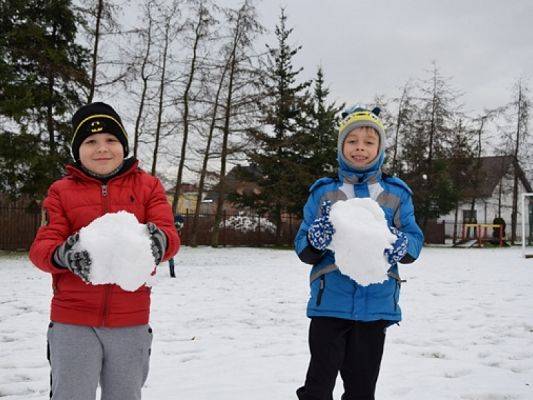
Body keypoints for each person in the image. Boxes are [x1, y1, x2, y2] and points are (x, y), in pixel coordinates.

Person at [29, 102, 180, 400]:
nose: (102, 149)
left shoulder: (149, 186)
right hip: (72, 320)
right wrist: (66, 254)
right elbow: (41, 249)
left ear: (123, 145)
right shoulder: (61, 191)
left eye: (111, 140)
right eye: (90, 142)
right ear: (77, 150)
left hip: (131, 320)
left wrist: (156, 242)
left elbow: (170, 236)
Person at [294, 105, 424, 400]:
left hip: (376, 305)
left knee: (362, 390)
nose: (360, 149)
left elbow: (414, 239)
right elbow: (302, 242)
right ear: (341, 147)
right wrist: (315, 241)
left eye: (369, 142)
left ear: (380, 147)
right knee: (317, 386)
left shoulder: (396, 193)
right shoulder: (324, 192)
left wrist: (402, 245)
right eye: (352, 142)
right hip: (330, 302)